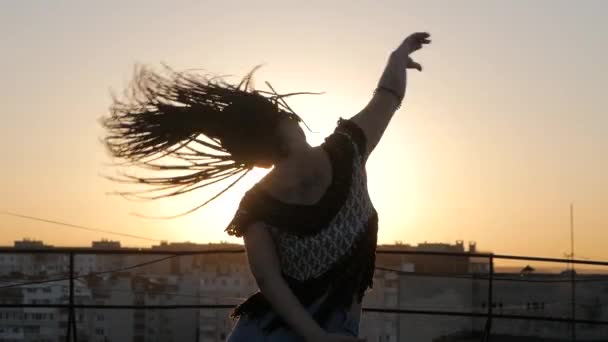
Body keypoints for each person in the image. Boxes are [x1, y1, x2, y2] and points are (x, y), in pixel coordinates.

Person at [101, 32, 430, 342]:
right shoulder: (349, 150)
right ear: (285, 125)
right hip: (327, 330)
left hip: (263, 332)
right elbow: (387, 95)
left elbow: (270, 282)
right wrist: (398, 56)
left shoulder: (256, 203)